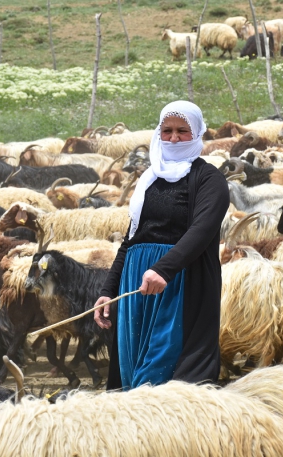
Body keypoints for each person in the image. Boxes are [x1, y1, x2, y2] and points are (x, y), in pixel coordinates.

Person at [94, 100, 230, 391]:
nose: (174, 138)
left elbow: (202, 230)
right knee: (131, 365)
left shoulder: (208, 179)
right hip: (138, 284)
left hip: (178, 282)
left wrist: (164, 270)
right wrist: (108, 290)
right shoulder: (148, 179)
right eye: (166, 131)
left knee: (162, 367)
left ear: (198, 134)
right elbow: (132, 239)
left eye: (183, 131)